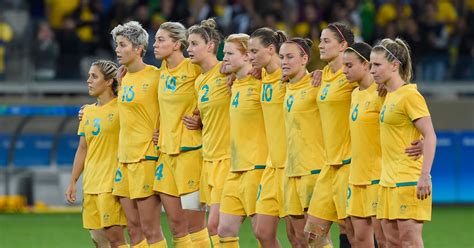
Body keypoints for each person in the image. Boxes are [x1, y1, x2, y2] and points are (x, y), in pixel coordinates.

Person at [370, 38, 436, 247]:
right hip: (387, 181)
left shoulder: (410, 95)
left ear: (394, 66)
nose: (372, 70)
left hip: (408, 179)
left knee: (409, 242)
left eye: (377, 65)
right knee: (390, 242)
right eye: (371, 64)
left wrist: (425, 176)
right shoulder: (387, 96)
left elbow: (431, 135)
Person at [151, 21, 210, 247]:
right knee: (176, 225)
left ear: (177, 44)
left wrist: (202, 121)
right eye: (155, 39)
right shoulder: (161, 72)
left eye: (160, 40)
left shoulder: (194, 67)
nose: (154, 44)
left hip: (190, 154)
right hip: (165, 154)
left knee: (195, 224)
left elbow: (218, 86)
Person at [110, 21, 166, 248]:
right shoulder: (122, 78)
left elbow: (170, 107)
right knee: (133, 229)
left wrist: (161, 131)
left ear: (138, 49)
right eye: (116, 44)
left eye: (122, 45)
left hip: (145, 157)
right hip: (124, 159)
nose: (117, 50)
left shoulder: (156, 76)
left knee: (150, 229)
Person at [305, 22, 357, 248]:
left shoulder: (352, 77)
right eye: (320, 40)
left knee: (352, 231)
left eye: (326, 41)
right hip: (329, 164)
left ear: (343, 45)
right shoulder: (323, 74)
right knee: (313, 235)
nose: (320, 45)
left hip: (349, 162)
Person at [66, 60, 128, 248]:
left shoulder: (122, 107)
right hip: (91, 183)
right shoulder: (87, 112)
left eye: (94, 76)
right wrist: (73, 181)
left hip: (111, 183)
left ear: (109, 81)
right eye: (88, 76)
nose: (88, 80)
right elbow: (82, 148)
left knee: (115, 238)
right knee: (98, 240)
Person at [248, 28, 298, 248]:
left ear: (270, 50)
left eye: (254, 51)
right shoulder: (262, 76)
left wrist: (316, 74)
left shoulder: (289, 77)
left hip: (291, 165)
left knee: (298, 237)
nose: (250, 56)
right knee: (262, 232)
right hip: (272, 165)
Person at [217, 32, 268, 248]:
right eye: (224, 53)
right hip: (235, 167)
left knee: (263, 234)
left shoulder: (262, 83)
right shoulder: (235, 84)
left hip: (256, 167)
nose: (224, 58)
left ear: (248, 56)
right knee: (224, 230)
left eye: (229, 53)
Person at [186, 18, 230, 247]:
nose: (189, 49)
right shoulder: (200, 80)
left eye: (194, 44)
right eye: (188, 44)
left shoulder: (226, 72)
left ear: (211, 46)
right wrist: (199, 121)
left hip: (227, 159)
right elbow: (209, 111)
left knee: (217, 225)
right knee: (210, 226)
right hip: (208, 159)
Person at [280, 37, 326, 248]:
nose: (284, 61)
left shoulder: (317, 84)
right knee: (296, 238)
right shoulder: (284, 85)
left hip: (312, 169)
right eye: (281, 57)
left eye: (290, 57)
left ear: (304, 59)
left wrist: (323, 73)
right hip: (291, 171)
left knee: (316, 238)